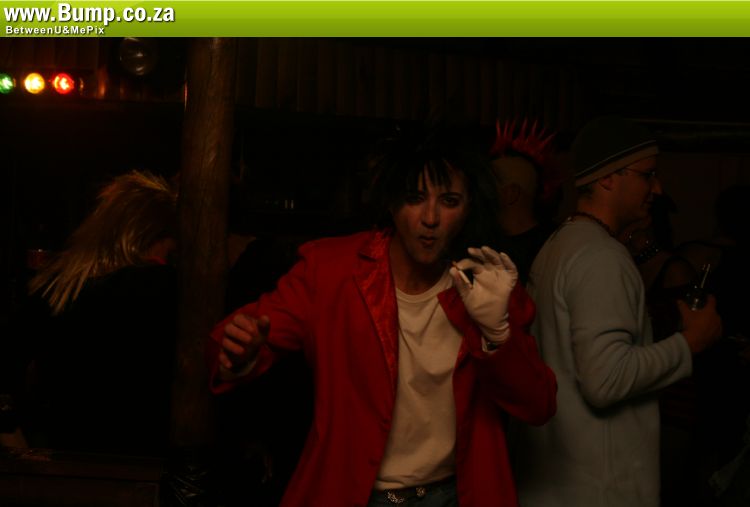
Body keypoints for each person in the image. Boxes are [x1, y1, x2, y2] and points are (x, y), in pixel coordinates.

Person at [207, 125, 557, 507]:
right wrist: (237, 354)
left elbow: (538, 405)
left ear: (469, 206)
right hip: (356, 495)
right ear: (391, 202)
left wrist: (497, 334)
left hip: (455, 495)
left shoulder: (489, 286)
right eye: (414, 198)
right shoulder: (330, 270)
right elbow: (239, 338)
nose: (430, 217)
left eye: (449, 201)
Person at [510, 116, 722, 507]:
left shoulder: (559, 245)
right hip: (599, 490)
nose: (657, 188)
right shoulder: (601, 257)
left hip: (562, 483)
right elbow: (605, 380)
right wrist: (690, 343)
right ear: (608, 177)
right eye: (647, 175)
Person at [19, 170, 178, 456]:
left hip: (65, 453)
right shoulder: (157, 287)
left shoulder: (56, 287)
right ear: (150, 233)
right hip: (139, 459)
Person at [488, 119, 561, 285]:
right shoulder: (485, 241)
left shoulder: (554, 246)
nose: (480, 194)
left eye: (489, 185)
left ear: (511, 193)